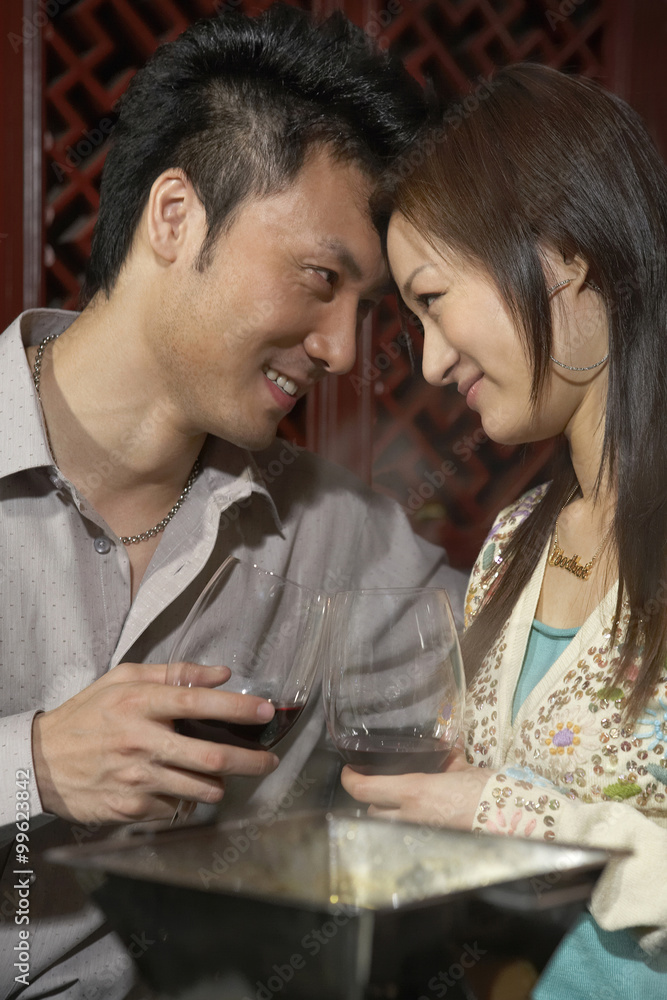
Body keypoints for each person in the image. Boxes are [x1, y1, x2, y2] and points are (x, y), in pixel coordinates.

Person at [0, 6, 467, 997]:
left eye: (364, 306)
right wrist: (31, 762)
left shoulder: (331, 532)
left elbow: (550, 671)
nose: (343, 348)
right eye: (318, 278)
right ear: (174, 216)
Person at [343, 63, 667, 996]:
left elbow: (508, 812)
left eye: (434, 302)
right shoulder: (519, 536)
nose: (434, 362)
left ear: (564, 252)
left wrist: (506, 811)